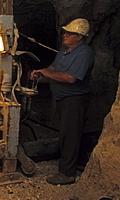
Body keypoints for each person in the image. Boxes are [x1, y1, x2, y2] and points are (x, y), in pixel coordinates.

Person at [30, 18, 95, 185]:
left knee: (68, 136)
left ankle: (67, 174)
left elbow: (71, 78)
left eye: (70, 33)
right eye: (65, 32)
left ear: (79, 36)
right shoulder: (64, 50)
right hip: (63, 98)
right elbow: (53, 68)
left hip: (74, 100)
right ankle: (80, 163)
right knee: (73, 133)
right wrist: (41, 72)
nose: (65, 35)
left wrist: (48, 75)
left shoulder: (84, 53)